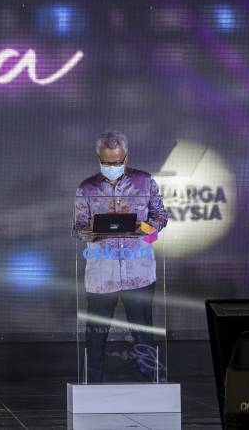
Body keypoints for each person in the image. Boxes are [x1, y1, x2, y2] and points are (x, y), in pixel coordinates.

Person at [72, 130, 168, 383]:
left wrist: (142, 230)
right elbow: (78, 228)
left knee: (142, 330)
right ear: (98, 157)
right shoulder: (87, 188)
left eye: (117, 162)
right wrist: (95, 230)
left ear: (126, 156)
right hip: (103, 274)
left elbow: (160, 218)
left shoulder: (145, 182)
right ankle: (92, 385)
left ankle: (150, 383)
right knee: (96, 333)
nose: (112, 167)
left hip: (139, 272)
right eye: (106, 162)